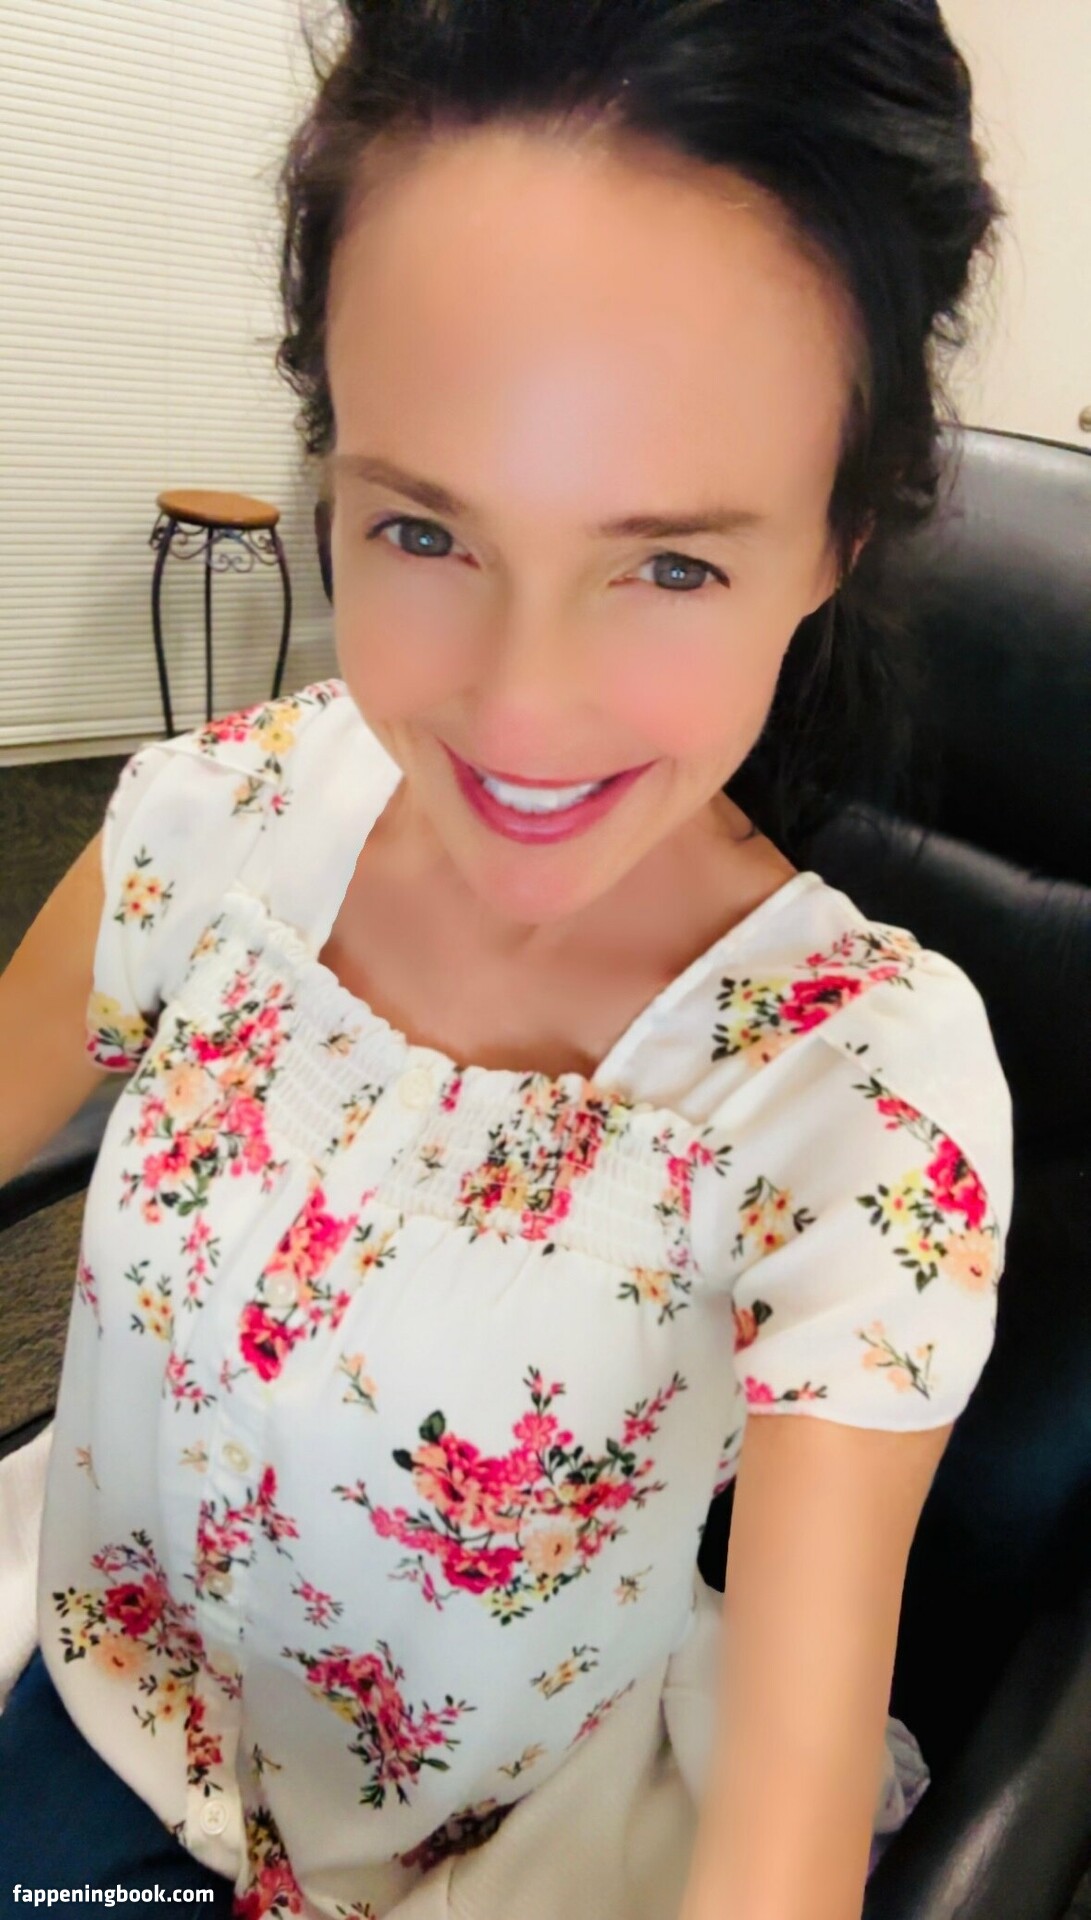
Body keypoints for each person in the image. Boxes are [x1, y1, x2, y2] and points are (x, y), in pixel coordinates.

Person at [0, 3, 1013, 1917]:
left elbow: (785, 1833)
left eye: (674, 563)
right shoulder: (219, 820)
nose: (522, 715)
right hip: (113, 1722)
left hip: (504, 1854)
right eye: (422, 529)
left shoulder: (860, 1097)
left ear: (838, 537)